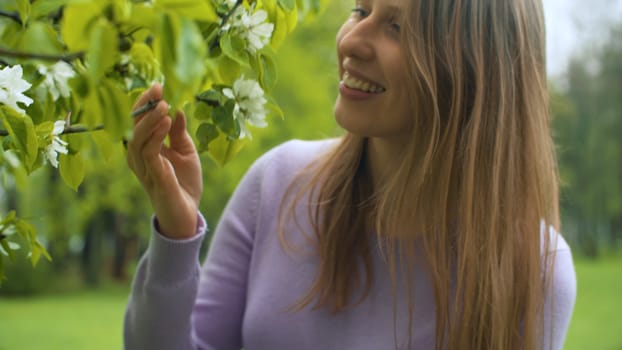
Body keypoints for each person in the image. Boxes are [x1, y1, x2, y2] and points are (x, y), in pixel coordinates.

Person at [123, 0, 577, 349]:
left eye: (395, 27)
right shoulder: (277, 184)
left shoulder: (533, 269)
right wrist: (176, 236)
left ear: (472, 68)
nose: (351, 40)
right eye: (360, 10)